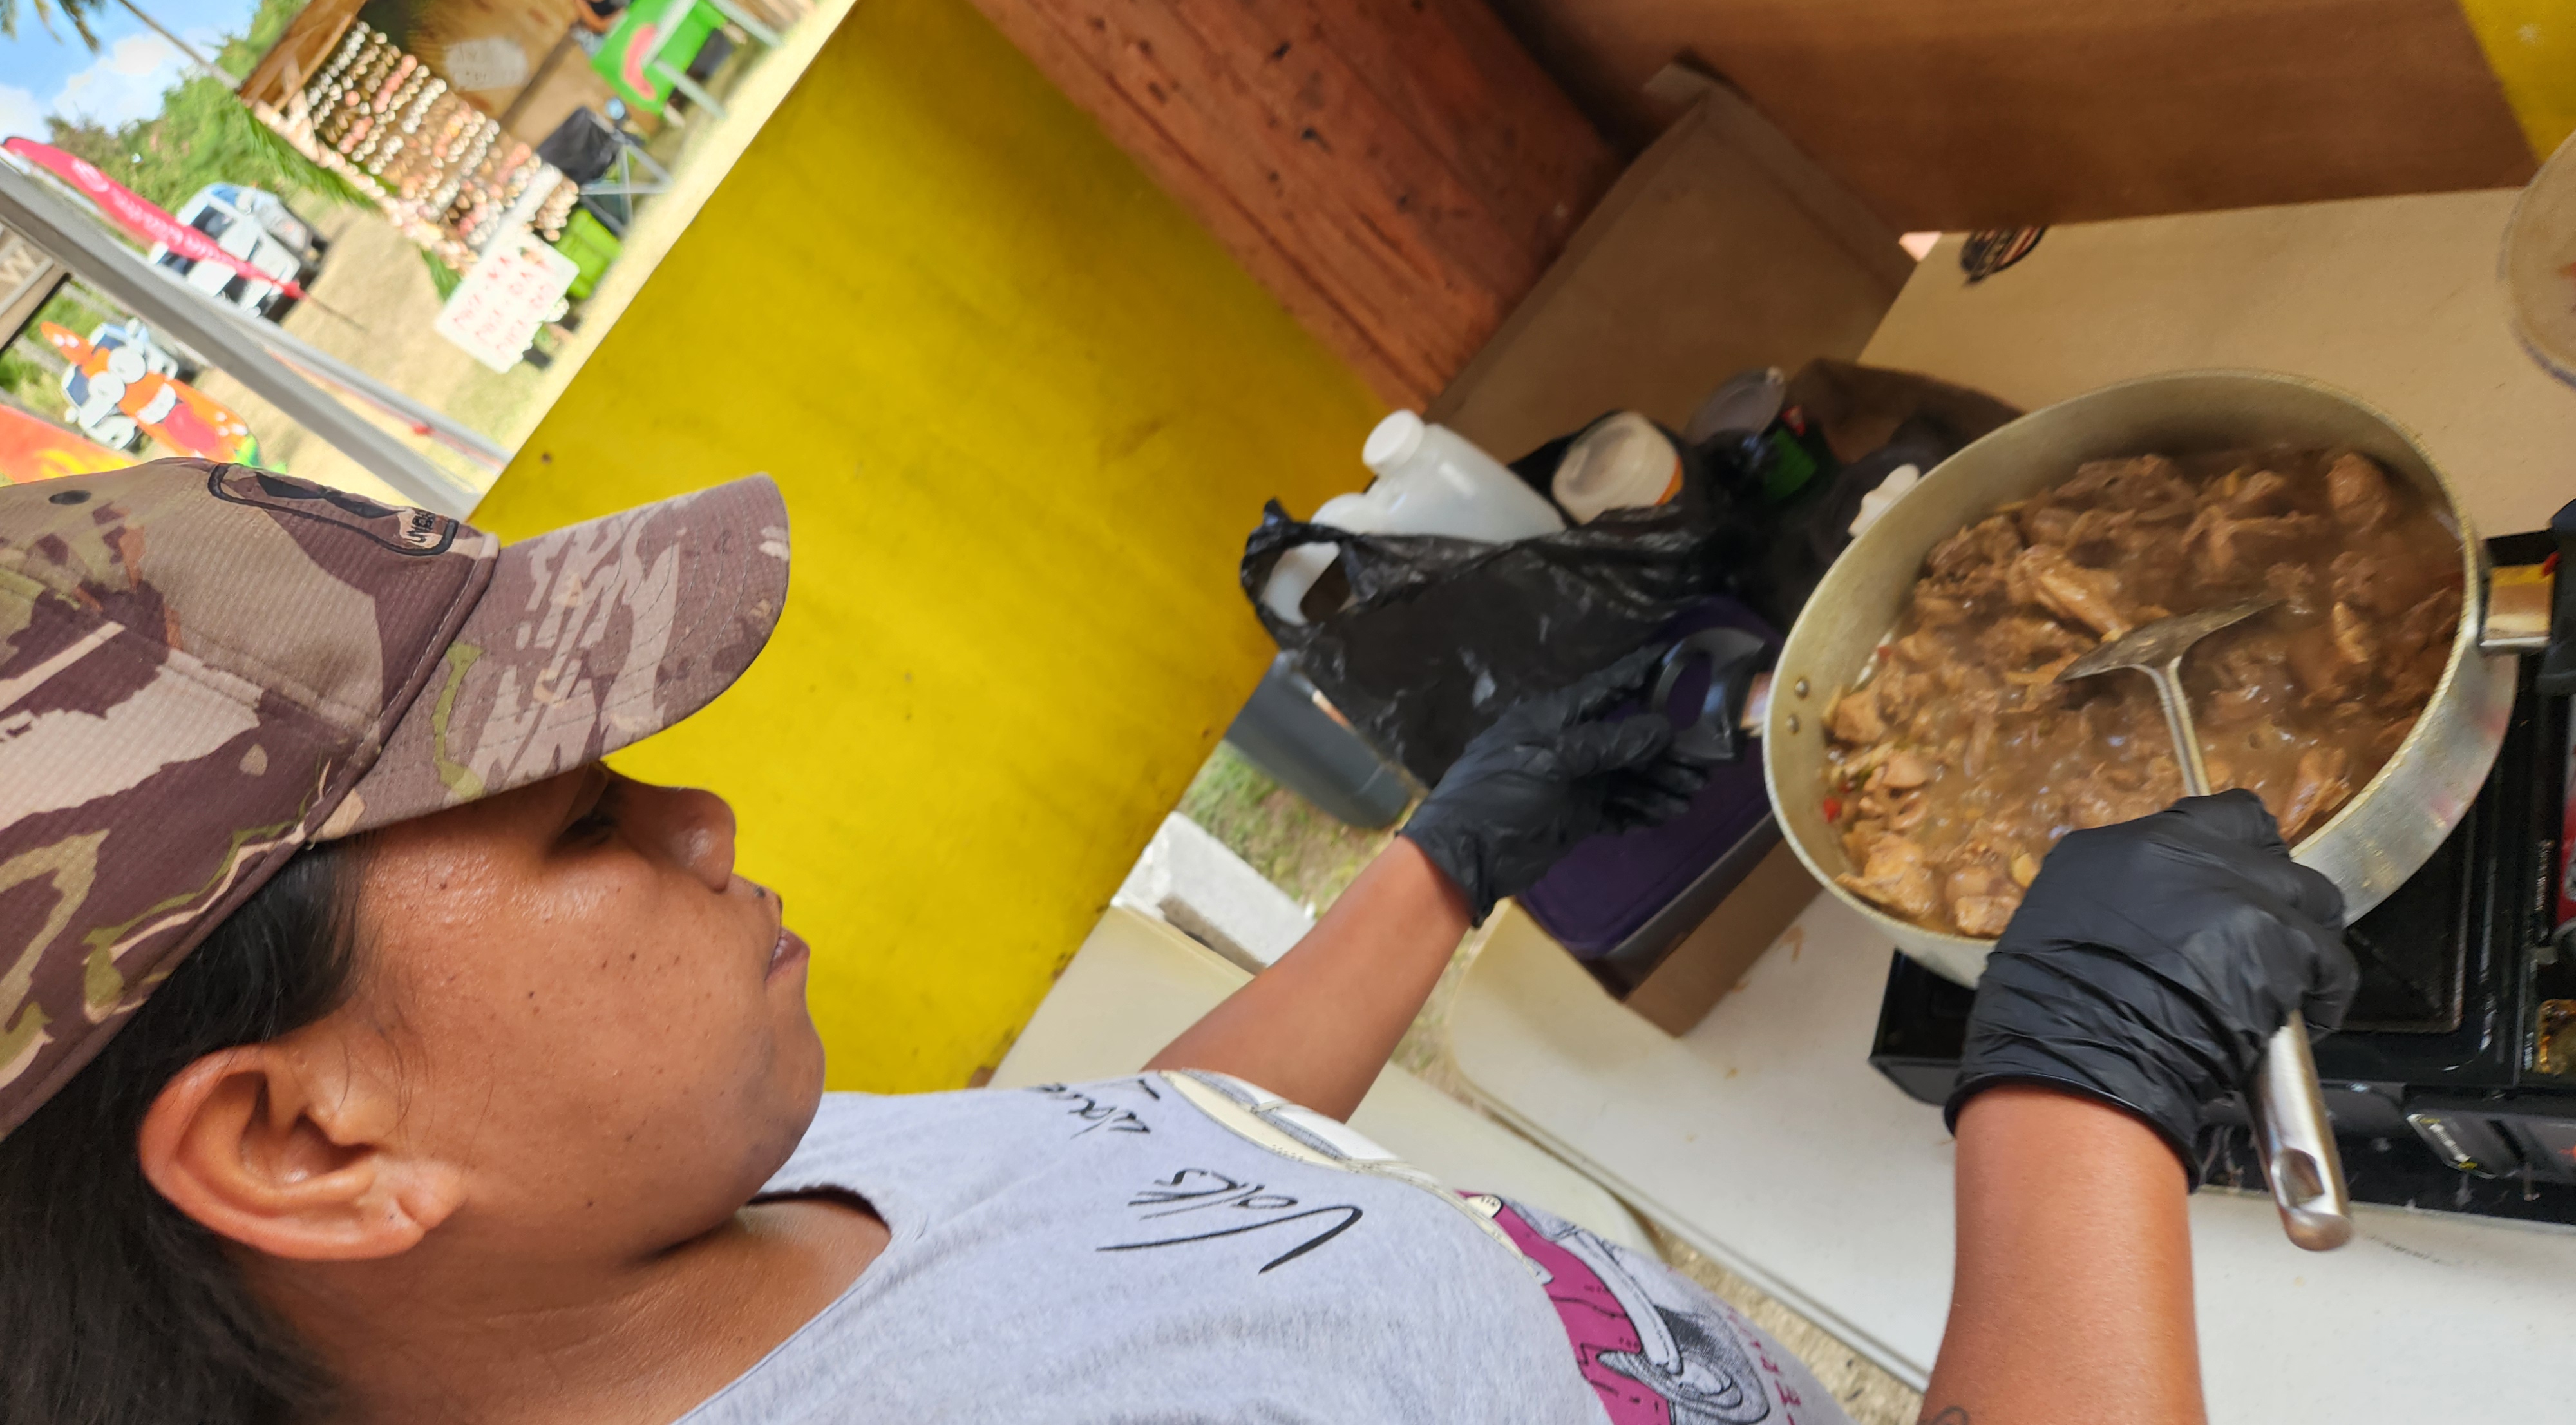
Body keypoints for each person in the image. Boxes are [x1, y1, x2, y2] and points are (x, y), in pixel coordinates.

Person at [0, 461, 2354, 1424]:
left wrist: (1444, 855)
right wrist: (2072, 1098)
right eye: (588, 817)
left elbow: (1124, 1173)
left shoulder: (665, 1225)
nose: (705, 813)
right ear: (311, 1140)